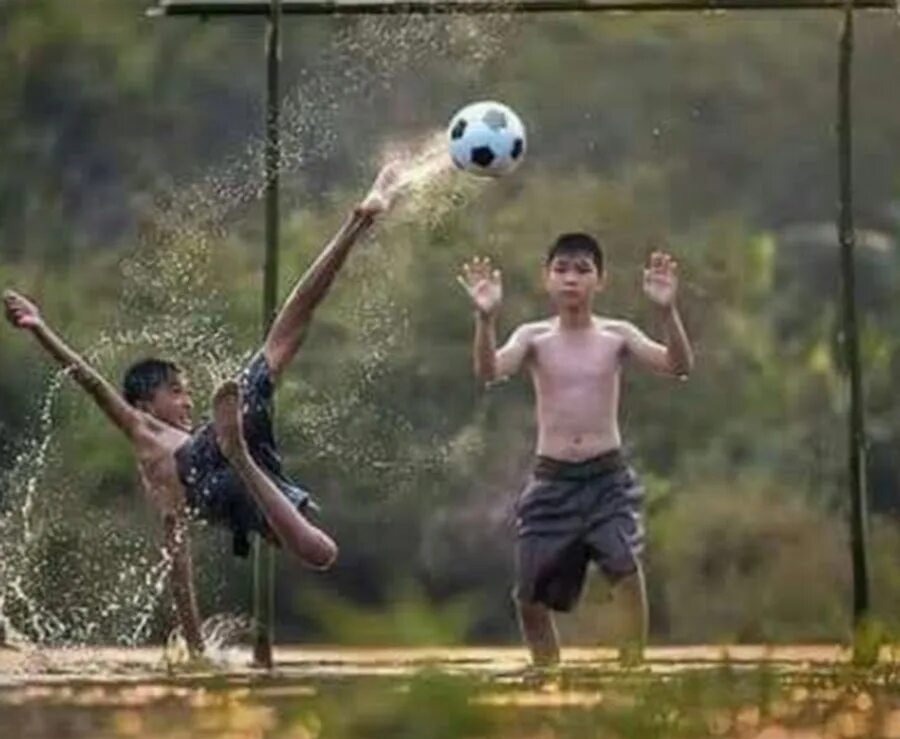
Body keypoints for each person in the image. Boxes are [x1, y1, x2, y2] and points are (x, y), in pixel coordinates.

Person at [3, 164, 402, 656]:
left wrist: (194, 650)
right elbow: (89, 379)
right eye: (175, 392)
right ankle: (239, 453)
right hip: (214, 467)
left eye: (188, 390)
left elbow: (177, 553)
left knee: (287, 333)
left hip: (234, 461)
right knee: (320, 550)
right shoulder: (145, 436)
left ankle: (360, 220)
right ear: (145, 403)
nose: (186, 399)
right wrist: (40, 328)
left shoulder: (185, 436)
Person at [457, 234, 693, 666]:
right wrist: (486, 320)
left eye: (582, 270)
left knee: (624, 568)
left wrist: (666, 311)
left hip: (607, 478)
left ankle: (632, 667)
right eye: (561, 269)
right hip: (552, 481)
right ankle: (546, 674)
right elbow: (489, 371)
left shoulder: (616, 335)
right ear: (546, 279)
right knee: (529, 597)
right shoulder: (534, 338)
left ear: (599, 280)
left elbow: (678, 366)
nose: (571, 279)